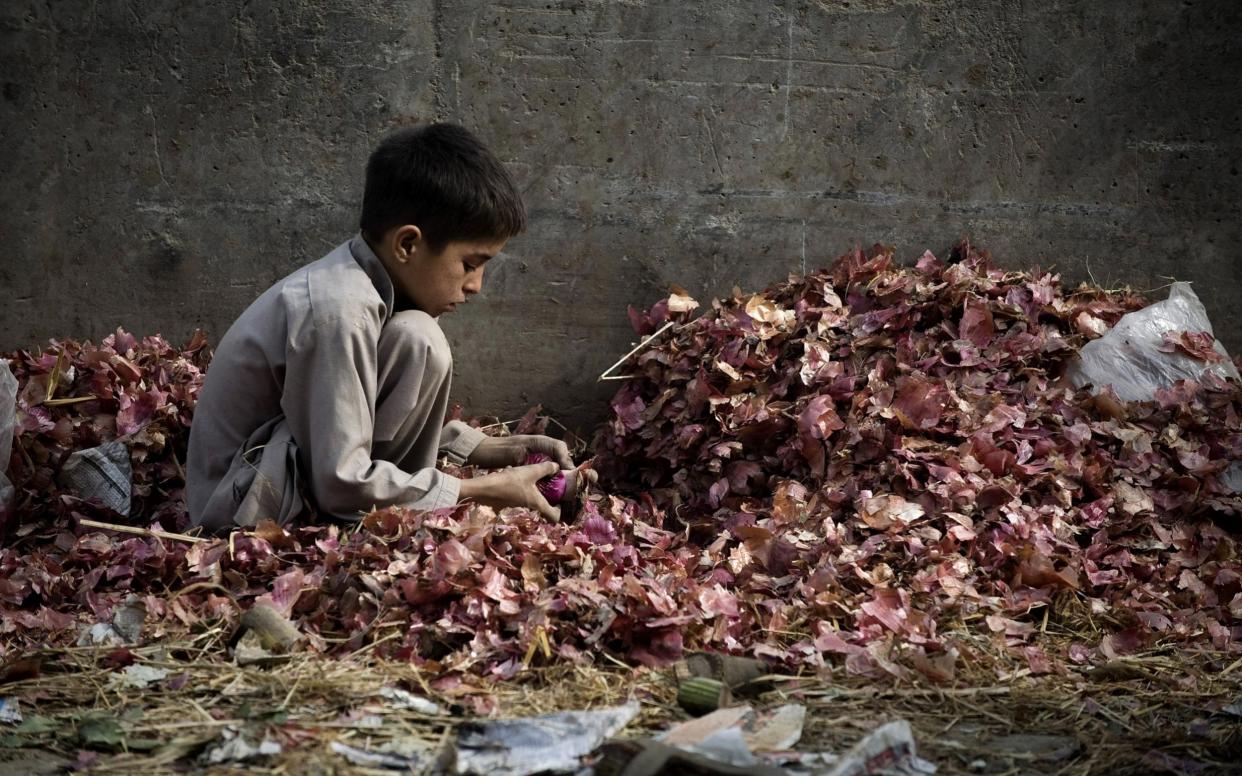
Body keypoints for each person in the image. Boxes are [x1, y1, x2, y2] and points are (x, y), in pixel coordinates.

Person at [186, 123, 586, 535]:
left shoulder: (365, 292)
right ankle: (378, 516)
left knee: (416, 339)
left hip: (288, 470)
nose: (476, 285)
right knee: (423, 339)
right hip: (238, 509)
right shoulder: (341, 312)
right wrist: (476, 491)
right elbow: (340, 480)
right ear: (407, 245)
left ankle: (397, 502)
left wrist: (482, 448)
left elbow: (348, 420)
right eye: (469, 264)